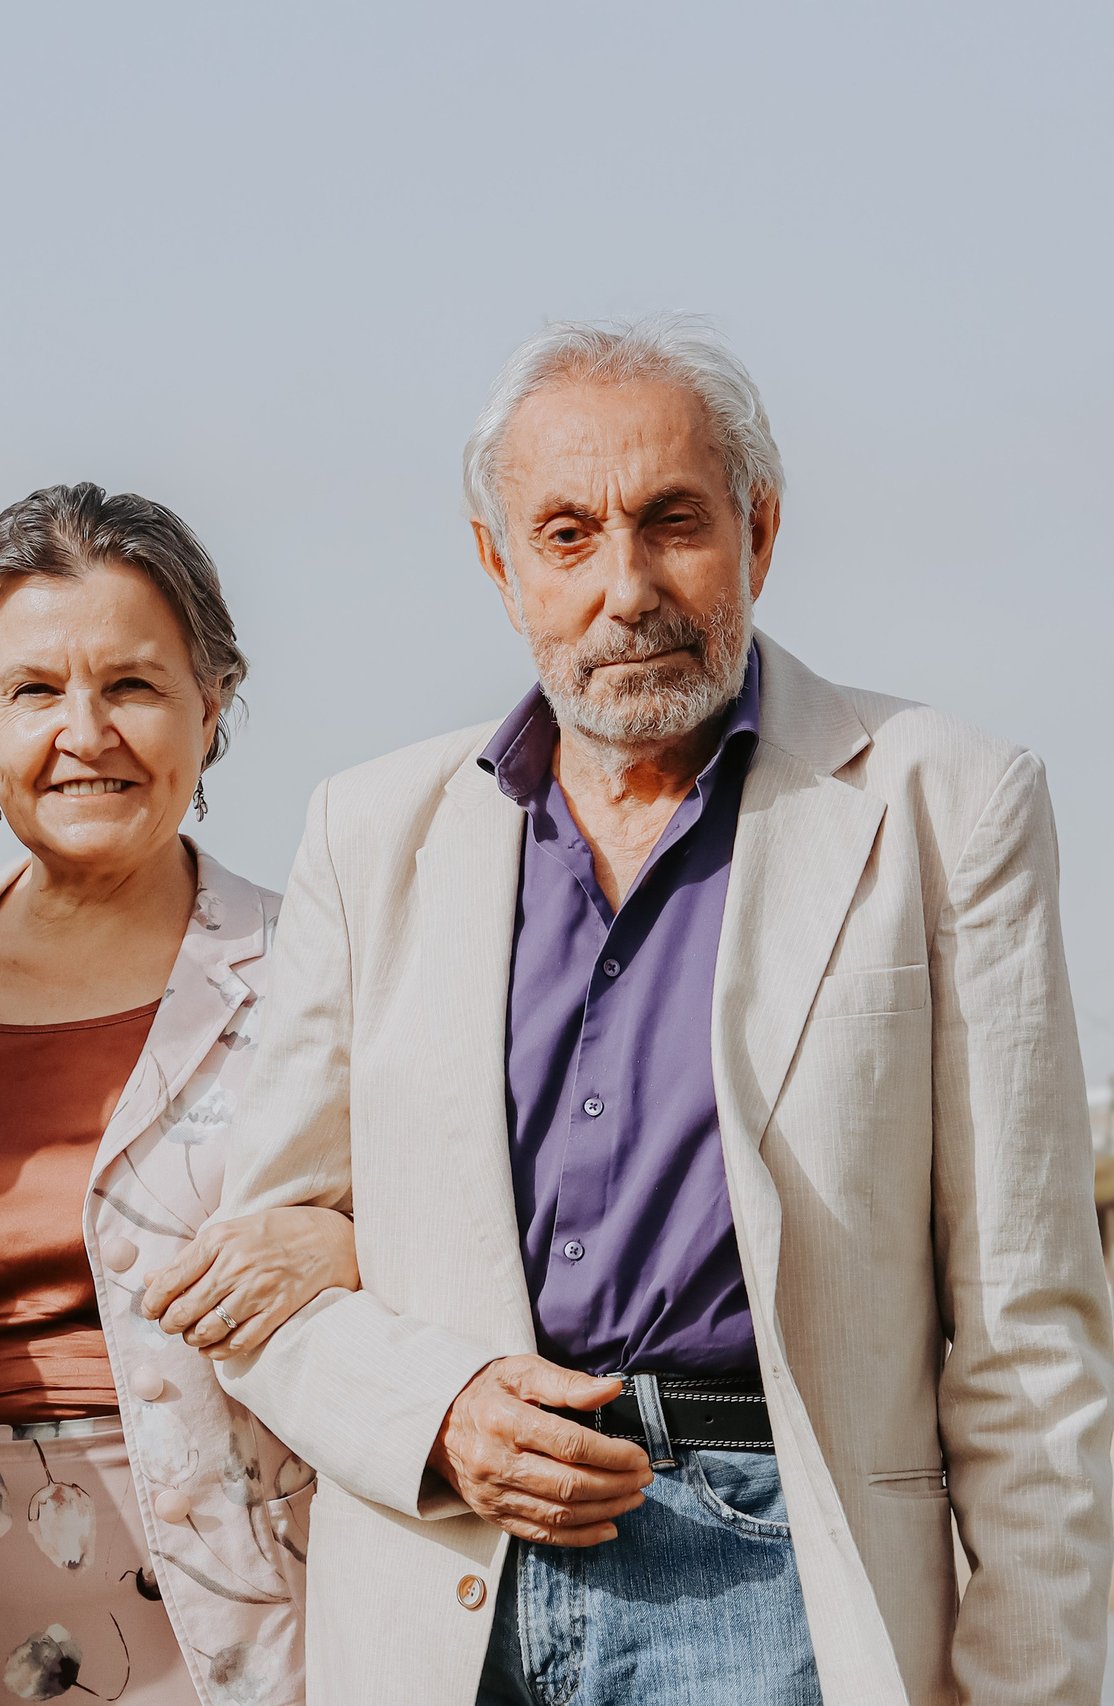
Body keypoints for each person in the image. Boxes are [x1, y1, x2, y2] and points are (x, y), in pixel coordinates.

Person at [162, 315, 1113, 1704]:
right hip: (446, 1590)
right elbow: (256, 1297)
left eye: (673, 522)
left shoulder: (944, 802)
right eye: (566, 534)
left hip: (782, 1580)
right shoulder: (370, 830)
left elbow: (1030, 1330)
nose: (626, 586)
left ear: (760, 530)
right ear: (498, 564)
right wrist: (436, 1411)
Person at [0, 484, 354, 1706]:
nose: (84, 731)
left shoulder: (325, 962)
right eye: (36, 690)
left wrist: (347, 1239)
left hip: (232, 1631)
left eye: (134, 686)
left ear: (211, 705)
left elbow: (469, 1234)